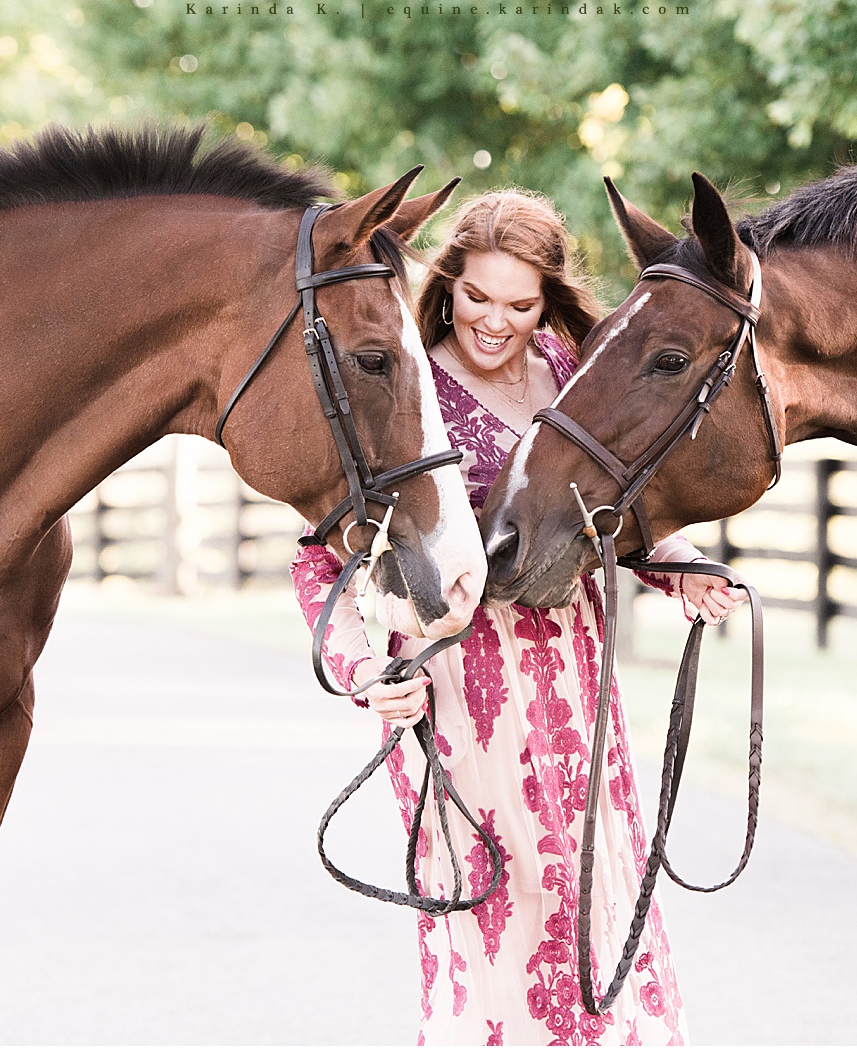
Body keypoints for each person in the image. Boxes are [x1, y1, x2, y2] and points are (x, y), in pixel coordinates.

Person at [292, 188, 744, 1046]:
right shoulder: (405, 382)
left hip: (576, 684)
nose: (493, 322)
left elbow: (605, 510)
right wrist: (360, 672)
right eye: (476, 296)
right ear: (448, 283)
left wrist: (676, 570)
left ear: (549, 300)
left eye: (519, 302)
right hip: (458, 692)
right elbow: (318, 554)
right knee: (494, 906)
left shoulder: (575, 372)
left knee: (590, 894)